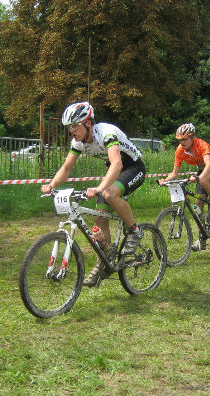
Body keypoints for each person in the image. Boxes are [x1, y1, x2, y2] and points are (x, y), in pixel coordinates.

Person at [41, 102, 146, 287]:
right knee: (99, 222)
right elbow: (66, 168)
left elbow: (117, 164)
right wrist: (51, 184)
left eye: (74, 126)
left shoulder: (106, 133)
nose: (71, 131)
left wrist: (99, 188)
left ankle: (135, 231)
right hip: (114, 171)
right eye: (69, 127)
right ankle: (103, 263)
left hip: (133, 167)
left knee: (109, 194)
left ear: (88, 123)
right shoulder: (78, 142)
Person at [158, 123, 210, 252]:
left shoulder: (201, 145)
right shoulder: (180, 151)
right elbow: (175, 173)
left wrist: (199, 178)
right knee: (197, 205)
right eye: (180, 140)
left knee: (203, 181)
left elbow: (208, 165)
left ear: (192, 138)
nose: (182, 142)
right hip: (202, 170)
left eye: (185, 139)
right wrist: (165, 180)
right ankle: (202, 237)